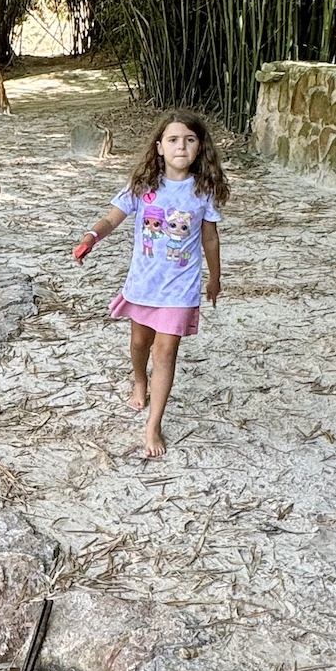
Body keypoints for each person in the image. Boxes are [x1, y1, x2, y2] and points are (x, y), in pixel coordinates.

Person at [72, 112, 229, 459]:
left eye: (189, 139)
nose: (181, 146)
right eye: (173, 140)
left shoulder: (203, 191)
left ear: (199, 146)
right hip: (144, 283)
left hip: (180, 287)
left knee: (166, 351)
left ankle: (153, 424)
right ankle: (139, 379)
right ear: (159, 147)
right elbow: (113, 216)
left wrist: (215, 279)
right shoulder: (144, 185)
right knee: (140, 342)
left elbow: (211, 240)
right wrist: (92, 237)